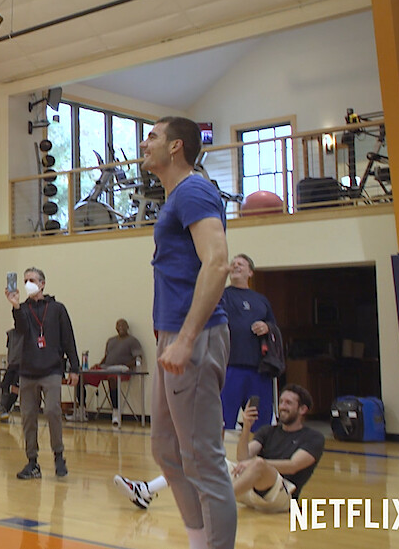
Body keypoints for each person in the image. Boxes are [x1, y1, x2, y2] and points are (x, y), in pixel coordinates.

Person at [141, 116, 235, 549]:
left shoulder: (194, 190)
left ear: (176, 146)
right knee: (166, 449)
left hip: (192, 338)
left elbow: (217, 263)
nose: (145, 144)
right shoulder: (175, 197)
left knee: (202, 460)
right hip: (172, 336)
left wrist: (186, 338)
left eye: (153, 136)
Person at [114, 384, 325, 513]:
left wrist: (253, 464)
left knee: (258, 463)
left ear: (303, 409)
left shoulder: (313, 437)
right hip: (249, 489)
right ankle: (145, 491)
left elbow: (294, 465)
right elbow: (243, 457)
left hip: (283, 496)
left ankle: (217, 504)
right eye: (281, 401)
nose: (283, 406)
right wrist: (247, 429)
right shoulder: (269, 431)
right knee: (198, 455)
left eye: (289, 403)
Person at [5, 268, 80, 479]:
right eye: (25, 280)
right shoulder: (24, 309)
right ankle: (32, 461)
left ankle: (58, 455)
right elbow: (21, 330)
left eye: (33, 280)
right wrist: (16, 305)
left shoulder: (57, 309)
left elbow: (68, 339)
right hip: (28, 371)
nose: (28, 283)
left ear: (43, 283)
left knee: (52, 410)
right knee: (28, 415)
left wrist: (74, 367)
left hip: (51, 369)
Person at [220, 254, 280, 431]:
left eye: (241, 264)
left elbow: (274, 326)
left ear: (250, 272)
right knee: (225, 419)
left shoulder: (261, 300)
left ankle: (258, 456)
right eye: (233, 263)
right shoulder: (222, 296)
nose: (236, 266)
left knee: (260, 420)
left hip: (259, 370)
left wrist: (266, 327)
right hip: (230, 367)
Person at [77, 318, 144, 426]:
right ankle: (82, 410)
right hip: (106, 368)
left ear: (127, 327)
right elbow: (106, 357)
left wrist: (126, 366)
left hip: (122, 370)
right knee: (80, 377)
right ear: (116, 328)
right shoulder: (111, 340)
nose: (121, 327)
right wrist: (99, 365)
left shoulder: (132, 341)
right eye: (118, 325)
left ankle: (116, 413)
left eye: (123, 325)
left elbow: (138, 358)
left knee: (112, 378)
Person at [0, 328, 24, 422]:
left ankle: (6, 411)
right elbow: (10, 350)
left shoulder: (27, 332)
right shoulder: (11, 334)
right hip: (12, 364)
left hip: (22, 365)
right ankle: (2, 409)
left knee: (15, 388)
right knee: (4, 385)